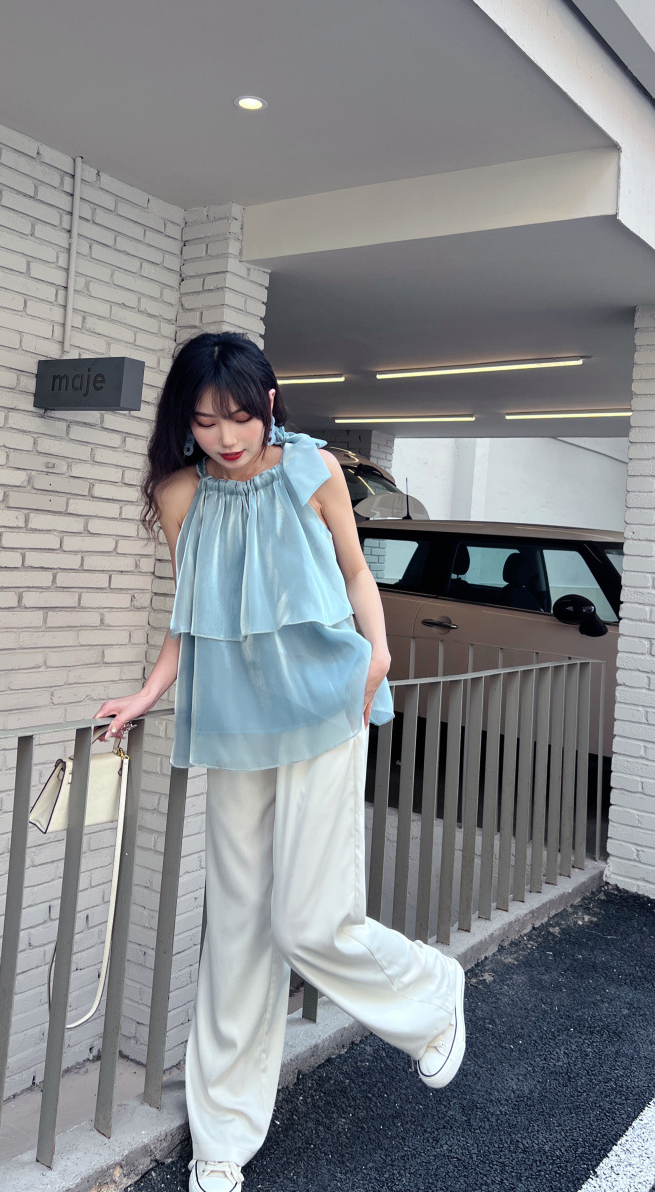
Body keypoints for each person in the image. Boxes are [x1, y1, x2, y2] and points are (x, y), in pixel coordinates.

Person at [96, 332, 466, 1191]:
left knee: (309, 920)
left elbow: (357, 573)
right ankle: (223, 1133)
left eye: (240, 415)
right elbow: (192, 612)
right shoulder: (181, 494)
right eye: (205, 420)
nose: (227, 436)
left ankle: (429, 991)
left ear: (269, 402)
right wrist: (149, 691)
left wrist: (378, 655)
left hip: (326, 709)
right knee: (235, 930)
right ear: (185, 421)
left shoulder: (315, 470)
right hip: (235, 722)